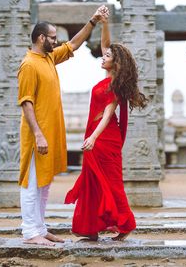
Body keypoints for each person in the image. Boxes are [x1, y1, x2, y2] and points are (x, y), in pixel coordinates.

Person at [17, 5, 110, 246]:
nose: (56, 41)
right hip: (36, 134)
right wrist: (38, 134)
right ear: (41, 38)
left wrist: (93, 21)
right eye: (52, 38)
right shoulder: (29, 64)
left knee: (44, 184)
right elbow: (26, 103)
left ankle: (40, 227)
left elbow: (73, 46)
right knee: (32, 183)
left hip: (51, 131)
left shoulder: (47, 57)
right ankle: (29, 232)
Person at [65, 12, 147, 241]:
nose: (103, 57)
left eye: (107, 56)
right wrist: (104, 23)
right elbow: (104, 44)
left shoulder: (115, 86)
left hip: (104, 137)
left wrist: (93, 138)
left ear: (115, 62)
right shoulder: (108, 75)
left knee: (111, 182)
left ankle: (126, 224)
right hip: (95, 136)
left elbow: (108, 115)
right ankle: (90, 227)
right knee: (92, 181)